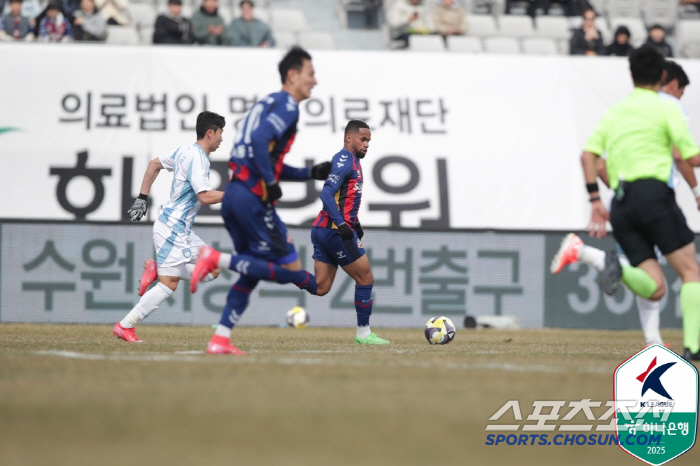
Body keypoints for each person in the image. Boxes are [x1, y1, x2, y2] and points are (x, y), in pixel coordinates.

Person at [555, 45, 700, 361]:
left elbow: (588, 156)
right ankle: (694, 347)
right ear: (663, 75)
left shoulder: (615, 111)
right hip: (656, 198)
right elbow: (690, 156)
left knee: (655, 286)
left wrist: (596, 200)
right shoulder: (668, 107)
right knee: (691, 272)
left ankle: (611, 265)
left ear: (632, 75)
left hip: (622, 204)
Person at [189, 47, 331, 355]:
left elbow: (262, 154)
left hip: (236, 195)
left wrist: (309, 172)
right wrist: (268, 182)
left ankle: (221, 337)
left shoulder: (267, 102)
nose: (315, 81)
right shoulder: (288, 107)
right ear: (292, 76)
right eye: (311, 73)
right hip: (253, 200)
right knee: (293, 270)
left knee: (251, 272)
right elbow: (258, 143)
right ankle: (217, 259)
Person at [113, 111, 226, 343]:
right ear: (210, 133)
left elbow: (154, 164)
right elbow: (204, 197)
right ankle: (125, 326)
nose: (222, 138)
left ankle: (159, 268)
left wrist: (141, 199)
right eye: (221, 133)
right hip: (171, 228)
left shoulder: (184, 150)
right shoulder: (198, 158)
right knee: (169, 285)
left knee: (214, 268)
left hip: (181, 229)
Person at [310, 120, 389, 345]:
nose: (366, 144)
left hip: (322, 229)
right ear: (349, 138)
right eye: (363, 139)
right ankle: (364, 334)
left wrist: (354, 222)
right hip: (335, 231)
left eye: (369, 141)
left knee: (321, 287)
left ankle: (285, 274)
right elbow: (326, 195)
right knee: (365, 278)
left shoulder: (351, 161)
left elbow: (343, 198)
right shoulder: (345, 161)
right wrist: (344, 225)